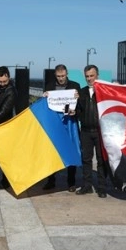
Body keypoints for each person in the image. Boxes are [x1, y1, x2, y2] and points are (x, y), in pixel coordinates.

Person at [42, 64, 81, 192]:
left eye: (63, 76)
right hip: (54, 123)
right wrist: (44, 97)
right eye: (58, 76)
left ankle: (71, 182)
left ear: (67, 73)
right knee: (52, 151)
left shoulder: (75, 86)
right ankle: (51, 181)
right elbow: (45, 106)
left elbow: (80, 106)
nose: (61, 78)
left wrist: (78, 100)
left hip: (70, 123)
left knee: (70, 149)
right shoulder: (49, 86)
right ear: (55, 75)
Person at [75, 65, 110, 198]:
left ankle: (102, 187)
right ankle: (87, 186)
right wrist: (75, 112)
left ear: (97, 75)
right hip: (85, 131)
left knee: (101, 160)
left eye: (92, 75)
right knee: (86, 159)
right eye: (87, 76)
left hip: (100, 131)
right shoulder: (82, 92)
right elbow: (79, 111)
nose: (89, 78)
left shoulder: (105, 91)